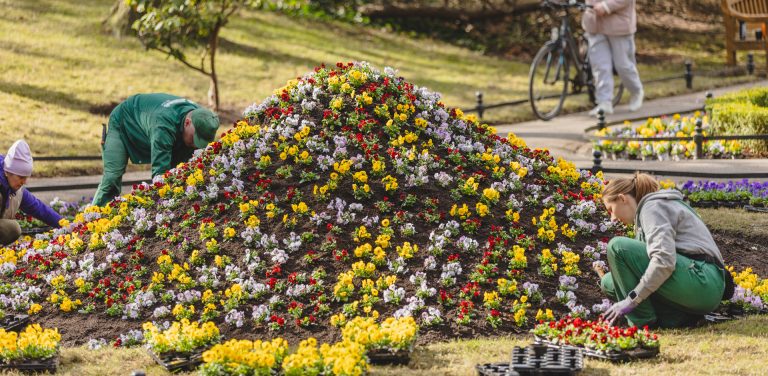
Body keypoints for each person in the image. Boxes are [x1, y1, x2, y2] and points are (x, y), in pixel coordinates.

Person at [596, 173, 730, 328]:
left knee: (617, 246)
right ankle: (675, 318)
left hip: (703, 281)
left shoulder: (652, 207)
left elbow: (664, 261)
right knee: (609, 282)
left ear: (622, 198)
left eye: (611, 209)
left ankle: (641, 323)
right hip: (694, 283)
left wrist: (630, 300)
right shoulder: (645, 215)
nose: (612, 218)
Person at [92, 93, 220, 206]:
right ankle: (93, 218)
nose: (196, 145)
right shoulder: (163, 125)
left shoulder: (203, 118)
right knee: (112, 176)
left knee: (180, 173)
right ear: (187, 122)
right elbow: (160, 174)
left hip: (155, 127)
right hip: (123, 121)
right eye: (194, 138)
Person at [582, 0, 644, 116]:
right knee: (600, 66)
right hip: (595, 25)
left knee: (623, 65)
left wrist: (606, 6)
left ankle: (636, 91)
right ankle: (604, 102)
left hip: (618, 25)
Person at [0, 140, 63, 245]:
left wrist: (65, 224)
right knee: (12, 228)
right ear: (7, 172)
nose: (24, 182)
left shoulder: (17, 190)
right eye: (21, 177)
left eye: (26, 178)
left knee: (13, 229)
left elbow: (39, 208)